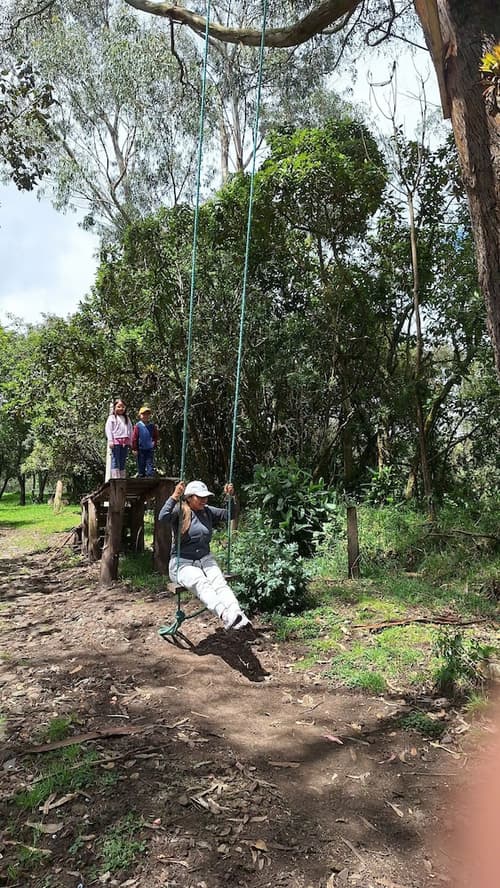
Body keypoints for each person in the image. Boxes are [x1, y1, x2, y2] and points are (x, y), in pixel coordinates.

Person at [158, 480, 251, 632]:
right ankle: (225, 615)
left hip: (205, 559)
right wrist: (175, 496)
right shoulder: (180, 511)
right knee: (201, 582)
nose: (204, 500)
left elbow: (230, 514)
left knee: (219, 582)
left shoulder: (207, 511)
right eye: (199, 497)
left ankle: (237, 614)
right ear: (189, 497)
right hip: (182, 563)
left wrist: (231, 497)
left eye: (206, 497)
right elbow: (162, 517)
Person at [105, 399, 133, 479]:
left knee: (123, 459)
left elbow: (130, 429)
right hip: (116, 441)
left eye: (123, 407)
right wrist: (110, 440)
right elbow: (108, 429)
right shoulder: (112, 418)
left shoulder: (127, 418)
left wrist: (130, 441)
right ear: (114, 407)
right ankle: (115, 477)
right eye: (119, 406)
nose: (121, 408)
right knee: (115, 459)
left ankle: (122, 476)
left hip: (125, 442)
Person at [132, 405, 159, 477]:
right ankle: (141, 476)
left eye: (147, 414)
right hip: (141, 449)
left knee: (149, 463)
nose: (145, 416)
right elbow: (134, 438)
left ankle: (150, 476)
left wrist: (154, 443)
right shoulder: (138, 426)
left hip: (149, 448)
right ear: (140, 415)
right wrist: (134, 448)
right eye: (143, 414)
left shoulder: (152, 426)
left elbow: (155, 436)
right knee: (141, 463)